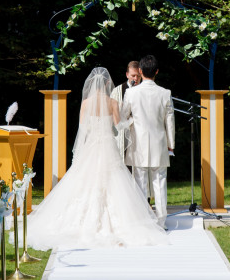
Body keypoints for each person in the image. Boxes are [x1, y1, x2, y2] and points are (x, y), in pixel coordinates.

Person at [26, 67, 168, 251]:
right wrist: (133, 121)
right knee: (113, 182)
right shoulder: (113, 103)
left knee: (85, 182)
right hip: (107, 145)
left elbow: (82, 129)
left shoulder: (85, 103)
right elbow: (120, 126)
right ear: (108, 84)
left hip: (91, 147)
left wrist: (78, 154)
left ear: (91, 85)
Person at [123, 55, 175, 229]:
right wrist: (171, 144)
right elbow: (170, 122)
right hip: (159, 144)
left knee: (140, 183)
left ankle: (142, 222)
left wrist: (133, 125)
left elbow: (123, 117)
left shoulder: (131, 92)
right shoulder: (165, 93)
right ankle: (161, 222)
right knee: (160, 183)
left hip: (138, 144)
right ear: (157, 72)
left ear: (140, 71)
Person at [110, 61, 141, 163]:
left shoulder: (144, 90)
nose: (135, 79)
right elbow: (111, 114)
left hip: (140, 134)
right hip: (122, 134)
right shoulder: (117, 91)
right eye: (133, 76)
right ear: (127, 74)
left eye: (138, 76)